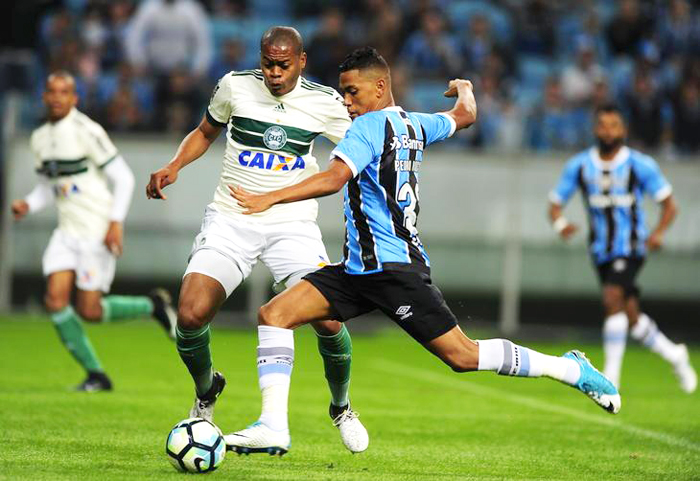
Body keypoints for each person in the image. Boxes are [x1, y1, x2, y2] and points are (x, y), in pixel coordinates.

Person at [224, 47, 621, 456]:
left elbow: (333, 178)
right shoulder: (415, 123)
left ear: (380, 87)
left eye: (352, 92)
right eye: (343, 93)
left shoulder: (366, 128)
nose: (346, 102)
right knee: (274, 315)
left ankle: (570, 368)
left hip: (395, 272)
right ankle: (273, 426)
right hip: (359, 270)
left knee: (463, 356)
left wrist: (269, 197)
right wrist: (465, 88)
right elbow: (464, 116)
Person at [145, 27, 368, 454]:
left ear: (301, 62)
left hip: (293, 224)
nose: (275, 72)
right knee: (190, 315)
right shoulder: (234, 86)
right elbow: (205, 132)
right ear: (260, 58)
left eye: (284, 64)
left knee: (328, 320)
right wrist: (175, 165)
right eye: (269, 62)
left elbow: (360, 151)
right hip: (232, 218)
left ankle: (340, 406)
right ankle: (207, 389)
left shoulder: (326, 103)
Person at [11, 71, 176, 392]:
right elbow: (49, 188)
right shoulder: (39, 138)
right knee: (55, 300)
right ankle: (96, 375)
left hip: (96, 227)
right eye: (51, 91)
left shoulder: (86, 130)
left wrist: (115, 222)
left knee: (90, 310)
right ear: (44, 96)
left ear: (75, 99)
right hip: (66, 231)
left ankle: (152, 306)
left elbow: (124, 178)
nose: (57, 97)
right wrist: (28, 205)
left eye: (64, 92)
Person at [548, 104, 697, 393]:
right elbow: (554, 205)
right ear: (595, 129)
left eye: (614, 125)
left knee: (611, 297)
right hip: (600, 251)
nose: (608, 131)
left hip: (630, 247)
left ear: (623, 130)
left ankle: (610, 379)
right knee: (631, 316)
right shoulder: (579, 165)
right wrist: (561, 225)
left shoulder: (639, 164)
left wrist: (658, 233)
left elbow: (669, 204)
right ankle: (675, 355)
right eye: (603, 125)